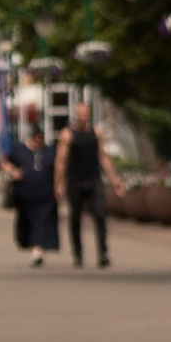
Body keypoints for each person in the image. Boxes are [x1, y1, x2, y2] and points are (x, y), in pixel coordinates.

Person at [57, 107, 110, 269]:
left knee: (100, 215)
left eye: (85, 115)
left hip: (94, 179)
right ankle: (78, 254)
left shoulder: (97, 133)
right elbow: (61, 160)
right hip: (75, 181)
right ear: (76, 116)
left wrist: (114, 179)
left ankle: (103, 253)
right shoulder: (67, 134)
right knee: (75, 218)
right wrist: (58, 184)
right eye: (80, 115)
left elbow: (103, 156)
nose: (82, 118)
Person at [6, 114, 59, 266]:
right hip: (25, 194)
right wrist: (13, 171)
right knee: (28, 221)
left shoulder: (49, 151)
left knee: (41, 220)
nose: (39, 141)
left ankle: (38, 249)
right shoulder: (20, 150)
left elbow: (59, 168)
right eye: (36, 137)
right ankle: (33, 246)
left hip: (45, 193)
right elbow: (6, 163)